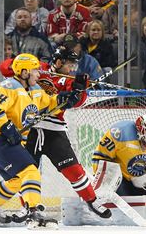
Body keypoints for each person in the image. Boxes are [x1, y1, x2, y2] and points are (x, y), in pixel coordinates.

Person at [0, 53, 84, 228]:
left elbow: (50, 103)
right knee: (31, 172)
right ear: (25, 71)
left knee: (16, 181)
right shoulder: (9, 86)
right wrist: (6, 128)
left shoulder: (34, 91)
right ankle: (33, 213)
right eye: (35, 70)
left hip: (4, 141)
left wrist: (69, 97)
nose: (38, 74)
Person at [24, 47, 112, 219]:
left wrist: (79, 90)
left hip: (54, 130)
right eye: (69, 65)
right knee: (27, 171)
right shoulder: (38, 69)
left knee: (73, 169)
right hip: (31, 128)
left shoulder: (70, 81)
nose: (72, 69)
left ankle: (92, 200)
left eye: (74, 65)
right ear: (58, 62)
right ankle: (29, 207)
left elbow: (78, 103)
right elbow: (12, 70)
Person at [92, 112, 146, 197]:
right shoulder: (120, 132)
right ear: (140, 128)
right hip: (118, 178)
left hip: (140, 181)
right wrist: (103, 180)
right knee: (116, 200)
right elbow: (100, 156)